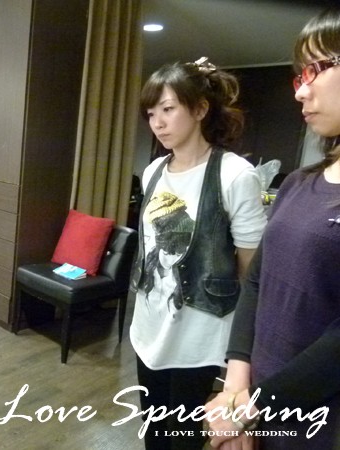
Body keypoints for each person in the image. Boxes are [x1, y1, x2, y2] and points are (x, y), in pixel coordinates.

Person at [205, 8, 340, 450]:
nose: (301, 90)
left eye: (317, 68)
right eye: (300, 74)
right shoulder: (299, 183)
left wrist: (252, 408)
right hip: (254, 405)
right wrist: (234, 387)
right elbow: (258, 281)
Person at [128, 57, 267, 450]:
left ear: (201, 109)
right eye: (151, 113)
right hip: (148, 328)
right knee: (154, 433)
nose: (157, 123)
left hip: (199, 338)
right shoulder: (154, 170)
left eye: (168, 109)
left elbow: (252, 271)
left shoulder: (234, 175)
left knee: (183, 440)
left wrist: (242, 353)